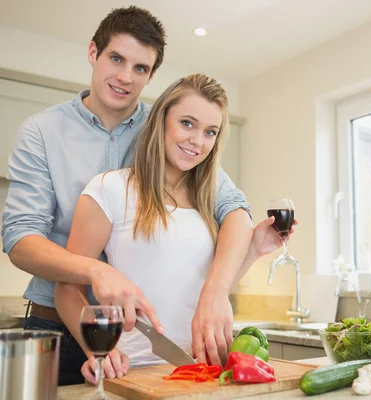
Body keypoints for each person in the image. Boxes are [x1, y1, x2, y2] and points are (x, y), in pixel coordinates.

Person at [1, 7, 254, 385]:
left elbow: (234, 208)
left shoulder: (167, 131)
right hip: (55, 321)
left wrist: (217, 291)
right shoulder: (42, 131)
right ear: (93, 53)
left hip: (131, 338)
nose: (124, 77)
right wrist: (96, 270)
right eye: (116, 58)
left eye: (140, 68)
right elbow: (20, 239)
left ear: (151, 75)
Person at [55, 73, 294, 383]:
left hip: (202, 372)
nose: (198, 141)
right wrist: (96, 350)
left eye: (210, 131)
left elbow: (204, 290)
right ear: (162, 120)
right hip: (133, 374)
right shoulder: (110, 189)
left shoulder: (208, 203)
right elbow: (66, 289)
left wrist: (254, 251)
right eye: (187, 124)